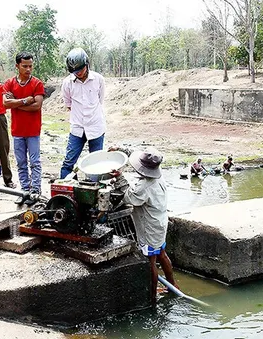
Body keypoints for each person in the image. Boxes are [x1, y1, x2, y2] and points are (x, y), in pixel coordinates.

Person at [110, 146, 178, 303]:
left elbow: (130, 198)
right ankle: (172, 284)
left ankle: (151, 297)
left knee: (150, 262)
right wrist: (119, 150)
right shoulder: (158, 178)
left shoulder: (144, 187)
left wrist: (120, 179)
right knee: (162, 253)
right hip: (160, 223)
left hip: (149, 228)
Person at [3, 52, 45, 204]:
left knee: (34, 162)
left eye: (30, 66)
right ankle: (24, 191)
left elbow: (37, 105)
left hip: (33, 130)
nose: (28, 69)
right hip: (17, 131)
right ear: (17, 66)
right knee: (21, 162)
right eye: (25, 66)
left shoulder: (37, 83)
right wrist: (25, 101)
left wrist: (16, 103)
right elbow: (5, 103)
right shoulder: (9, 83)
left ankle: (35, 190)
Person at [60, 47, 106, 179]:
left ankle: (93, 191)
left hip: (96, 127)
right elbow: (69, 105)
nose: (78, 73)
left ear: (87, 64)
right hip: (77, 127)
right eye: (75, 71)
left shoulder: (98, 79)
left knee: (96, 163)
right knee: (68, 162)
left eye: (80, 69)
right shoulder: (67, 83)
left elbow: (100, 100)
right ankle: (66, 191)